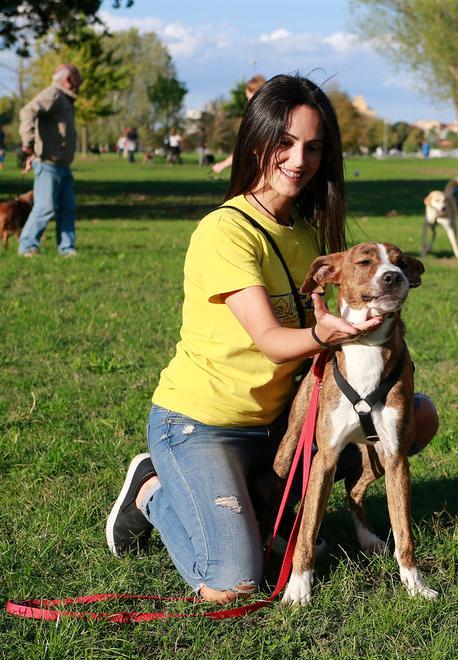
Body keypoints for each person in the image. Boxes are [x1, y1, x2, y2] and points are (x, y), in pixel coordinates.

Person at [104, 75, 440, 604]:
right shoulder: (225, 231)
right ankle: (151, 490)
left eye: (312, 146)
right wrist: (322, 334)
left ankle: (261, 500)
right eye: (283, 142)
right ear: (255, 140)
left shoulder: (308, 232)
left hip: (283, 424)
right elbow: (270, 339)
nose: (297, 159)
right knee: (234, 582)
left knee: (414, 415)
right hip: (204, 423)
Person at [17, 63, 82, 257]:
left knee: (67, 208)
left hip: (62, 165)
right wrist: (27, 141)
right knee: (45, 207)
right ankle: (27, 246)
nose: (81, 82)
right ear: (68, 80)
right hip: (48, 163)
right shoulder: (53, 94)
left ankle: (67, 247)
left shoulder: (65, 99)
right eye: (78, 78)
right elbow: (27, 111)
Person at [212, 74, 267, 175]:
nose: (249, 101)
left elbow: (244, 148)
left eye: (250, 97)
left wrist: (222, 165)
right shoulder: (272, 114)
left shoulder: (259, 118)